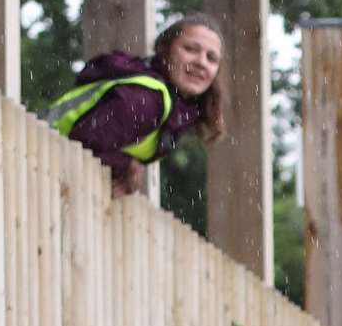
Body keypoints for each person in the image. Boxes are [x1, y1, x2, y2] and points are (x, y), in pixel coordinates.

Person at [45, 13, 227, 197]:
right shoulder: (147, 99)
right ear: (165, 49)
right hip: (40, 163)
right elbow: (83, 142)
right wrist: (125, 166)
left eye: (211, 58)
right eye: (190, 49)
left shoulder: (172, 108)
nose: (201, 62)